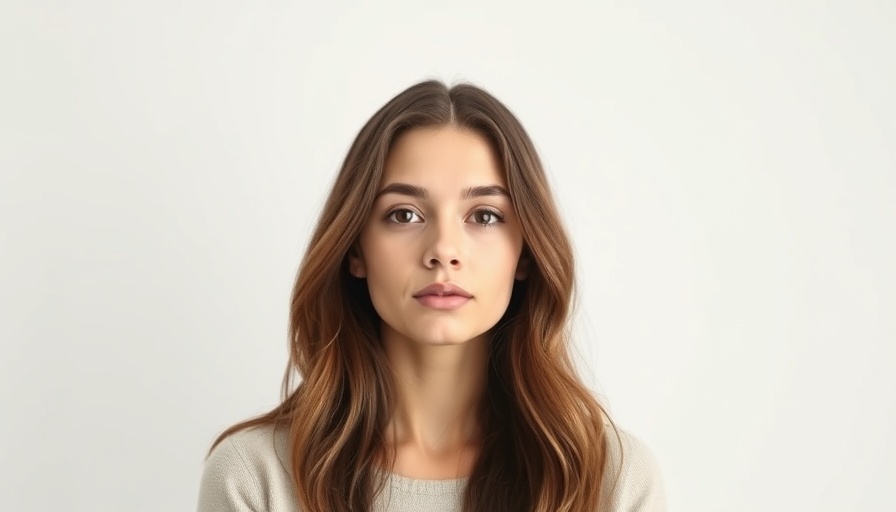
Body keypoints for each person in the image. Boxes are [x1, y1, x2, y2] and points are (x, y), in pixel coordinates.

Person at [197, 79, 665, 512]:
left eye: (484, 216)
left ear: (525, 254)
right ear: (355, 249)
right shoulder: (255, 476)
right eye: (404, 215)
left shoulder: (610, 480)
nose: (443, 250)